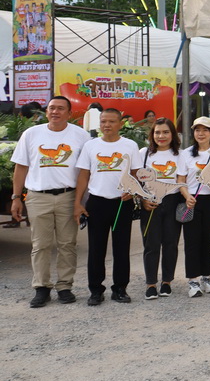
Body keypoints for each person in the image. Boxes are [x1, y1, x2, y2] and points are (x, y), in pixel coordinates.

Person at [11, 96, 91, 307]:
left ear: (69, 113)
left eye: (60, 108)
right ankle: (41, 287)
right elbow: (21, 167)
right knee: (40, 244)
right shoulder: (31, 134)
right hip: (38, 197)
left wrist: (81, 200)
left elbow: (86, 171)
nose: (55, 112)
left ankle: (64, 286)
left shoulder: (81, 136)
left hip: (68, 197)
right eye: (52, 108)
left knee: (67, 244)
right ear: (46, 112)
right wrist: (16, 197)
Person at [74, 108, 140, 306]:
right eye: (103, 121)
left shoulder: (130, 145)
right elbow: (83, 175)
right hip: (97, 203)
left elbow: (136, 173)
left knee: (121, 248)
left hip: (122, 203)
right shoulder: (91, 146)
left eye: (111, 121)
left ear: (120, 124)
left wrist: (132, 190)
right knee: (96, 248)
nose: (107, 125)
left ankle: (120, 288)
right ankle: (96, 290)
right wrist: (78, 203)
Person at [137, 118, 190, 300]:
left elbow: (182, 180)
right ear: (152, 134)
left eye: (166, 132)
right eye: (157, 132)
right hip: (150, 202)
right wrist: (143, 199)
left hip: (173, 200)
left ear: (172, 134)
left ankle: (167, 282)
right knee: (151, 244)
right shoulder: (144, 154)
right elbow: (137, 180)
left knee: (170, 243)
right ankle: (151, 284)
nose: (161, 136)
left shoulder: (180, 155)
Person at [181, 117, 210, 297]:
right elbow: (180, 180)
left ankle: (206, 277)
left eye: (205, 130)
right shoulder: (186, 154)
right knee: (192, 241)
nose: (201, 133)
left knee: (208, 240)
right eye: (197, 130)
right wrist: (187, 196)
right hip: (192, 201)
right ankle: (193, 280)